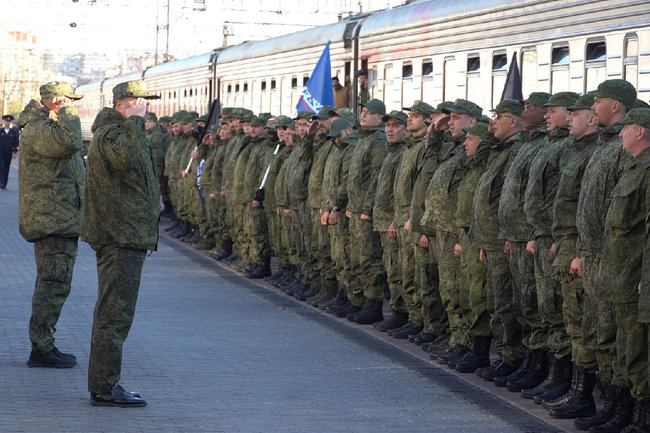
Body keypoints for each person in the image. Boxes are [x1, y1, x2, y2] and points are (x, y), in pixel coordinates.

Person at [83, 80, 160, 407]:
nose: (145, 107)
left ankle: (105, 382)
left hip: (125, 235)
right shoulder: (115, 134)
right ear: (126, 104)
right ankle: (104, 386)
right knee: (114, 314)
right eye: (140, 102)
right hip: (119, 236)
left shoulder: (120, 133)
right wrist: (135, 122)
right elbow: (124, 160)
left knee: (115, 312)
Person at [17, 81, 84, 368]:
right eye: (69, 101)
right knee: (53, 283)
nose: (73, 106)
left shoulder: (45, 129)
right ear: (57, 101)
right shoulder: (40, 130)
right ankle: (41, 348)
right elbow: (71, 142)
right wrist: (67, 113)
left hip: (60, 217)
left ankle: (44, 344)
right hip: (52, 220)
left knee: (56, 283)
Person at [600, 107, 650, 433]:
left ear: (641, 132)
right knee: (622, 348)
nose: (620, 133)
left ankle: (641, 418)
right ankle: (624, 411)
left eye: (626, 128)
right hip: (618, 276)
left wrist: (645, 278)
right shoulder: (631, 168)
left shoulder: (647, 171)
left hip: (633, 277)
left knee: (637, 351)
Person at [0, 114, 19, 189]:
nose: (7, 123)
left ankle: (4, 183)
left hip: (8, 152)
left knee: (6, 167)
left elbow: (16, 143)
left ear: (10, 123)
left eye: (8, 121)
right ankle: (1, 182)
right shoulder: (0, 131)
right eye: (6, 121)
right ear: (4, 122)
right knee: (1, 166)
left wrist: (15, 152)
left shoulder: (13, 132)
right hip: (1, 152)